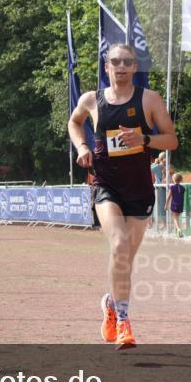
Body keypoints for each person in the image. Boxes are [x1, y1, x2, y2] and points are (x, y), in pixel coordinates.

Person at [68, 43, 177, 350]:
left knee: (125, 257)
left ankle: (111, 304)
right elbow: (74, 122)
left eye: (127, 62)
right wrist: (83, 147)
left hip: (140, 189)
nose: (121, 67)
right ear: (107, 67)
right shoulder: (92, 100)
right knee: (118, 245)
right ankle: (124, 323)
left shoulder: (149, 99)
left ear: (134, 67)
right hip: (106, 185)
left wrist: (144, 138)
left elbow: (172, 140)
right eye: (115, 61)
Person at [166, 172, 186, 238]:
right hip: (181, 205)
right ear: (181, 180)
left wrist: (166, 204)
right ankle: (177, 234)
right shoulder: (183, 188)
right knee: (177, 218)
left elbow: (169, 197)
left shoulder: (172, 187)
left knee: (174, 218)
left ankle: (178, 229)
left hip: (174, 204)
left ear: (173, 179)